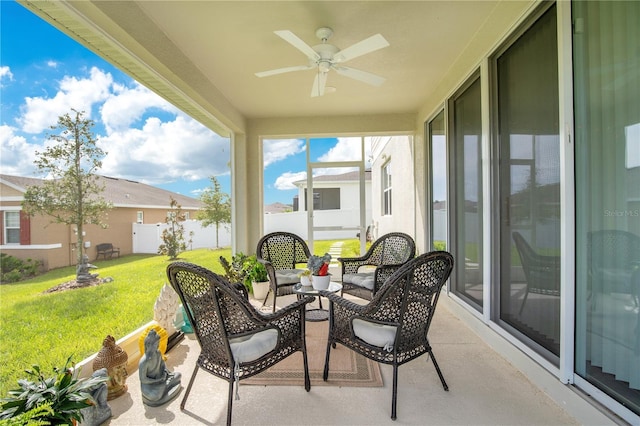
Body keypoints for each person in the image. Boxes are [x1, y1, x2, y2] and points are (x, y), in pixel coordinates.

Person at [139, 329, 181, 406]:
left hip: (161, 379)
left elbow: (162, 365)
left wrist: (166, 372)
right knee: (155, 396)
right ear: (148, 345)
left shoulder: (158, 353)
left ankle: (164, 386)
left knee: (178, 375)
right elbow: (143, 379)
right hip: (149, 385)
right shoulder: (144, 361)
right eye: (155, 345)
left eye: (157, 343)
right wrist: (157, 380)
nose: (157, 346)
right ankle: (164, 386)